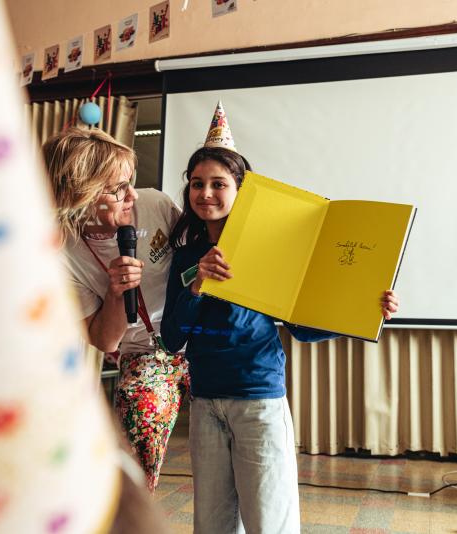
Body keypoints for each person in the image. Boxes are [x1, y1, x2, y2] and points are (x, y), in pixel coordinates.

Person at [160, 102, 399, 533]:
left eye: (218, 184)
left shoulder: (267, 250)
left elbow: (303, 327)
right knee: (210, 524)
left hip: (258, 399)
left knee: (269, 521)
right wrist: (197, 286)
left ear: (240, 190)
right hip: (205, 402)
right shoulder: (186, 258)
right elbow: (174, 337)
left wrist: (368, 310)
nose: (206, 194)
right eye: (197, 184)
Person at [43, 127, 188, 490]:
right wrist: (114, 290)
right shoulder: (63, 254)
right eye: (117, 188)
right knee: (134, 465)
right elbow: (103, 339)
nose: (132, 195)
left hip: (196, 337)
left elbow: (195, 256)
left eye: (130, 182)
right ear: (80, 194)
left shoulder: (155, 205)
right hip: (143, 355)